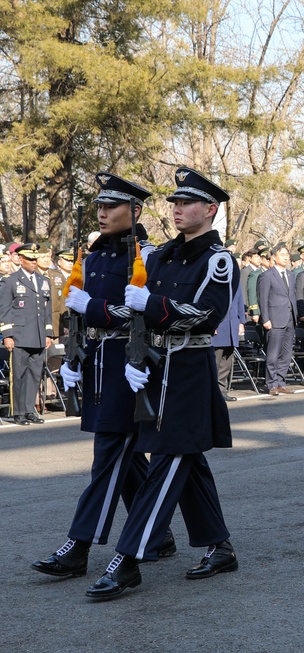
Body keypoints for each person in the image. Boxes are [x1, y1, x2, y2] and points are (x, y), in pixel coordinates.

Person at [85, 167, 241, 600]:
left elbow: (205, 316)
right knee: (186, 460)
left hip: (189, 370)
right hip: (155, 368)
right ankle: (219, 546)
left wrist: (153, 304)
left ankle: (128, 559)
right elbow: (137, 316)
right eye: (173, 202)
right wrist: (135, 358)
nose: (177, 209)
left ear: (210, 210)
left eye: (187, 202)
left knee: (167, 462)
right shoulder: (161, 256)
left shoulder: (219, 260)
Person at [32, 173, 176, 579]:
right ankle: (160, 534)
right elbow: (80, 315)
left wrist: (93, 307)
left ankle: (78, 545)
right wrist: (73, 360)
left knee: (108, 457)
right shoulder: (93, 255)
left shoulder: (149, 256)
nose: (101, 212)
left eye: (111, 206)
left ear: (136, 210)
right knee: (125, 456)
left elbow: (143, 313)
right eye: (99, 205)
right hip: (97, 362)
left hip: (129, 367)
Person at [0, 242, 53, 425]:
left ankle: (30, 410)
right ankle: (19, 412)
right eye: (29, 259)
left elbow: (47, 310)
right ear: (20, 260)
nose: (33, 262)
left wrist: (48, 334)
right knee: (19, 375)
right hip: (20, 335)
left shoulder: (43, 280)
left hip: (38, 335)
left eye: (35, 258)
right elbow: (5, 309)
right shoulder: (10, 280)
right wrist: (7, 334)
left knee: (34, 375)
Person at [257, 243, 297, 395]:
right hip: (274, 319)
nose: (286, 257)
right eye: (282, 255)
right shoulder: (267, 275)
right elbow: (263, 299)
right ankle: (271, 383)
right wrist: (265, 318)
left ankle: (281, 382)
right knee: (273, 354)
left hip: (289, 319)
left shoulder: (290, 275)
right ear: (273, 257)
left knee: (286, 354)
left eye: (287, 255)